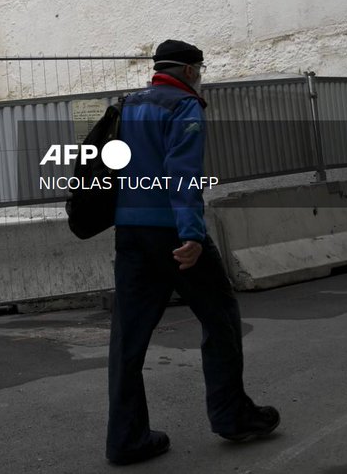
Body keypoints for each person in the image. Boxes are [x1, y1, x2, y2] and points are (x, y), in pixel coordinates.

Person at [105, 39, 279, 465]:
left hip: (130, 232)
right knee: (220, 317)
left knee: (128, 339)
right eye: (199, 68)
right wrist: (193, 237)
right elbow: (181, 174)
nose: (201, 74)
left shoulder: (126, 104)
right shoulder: (184, 105)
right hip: (171, 234)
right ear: (187, 71)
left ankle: (126, 440)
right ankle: (232, 416)